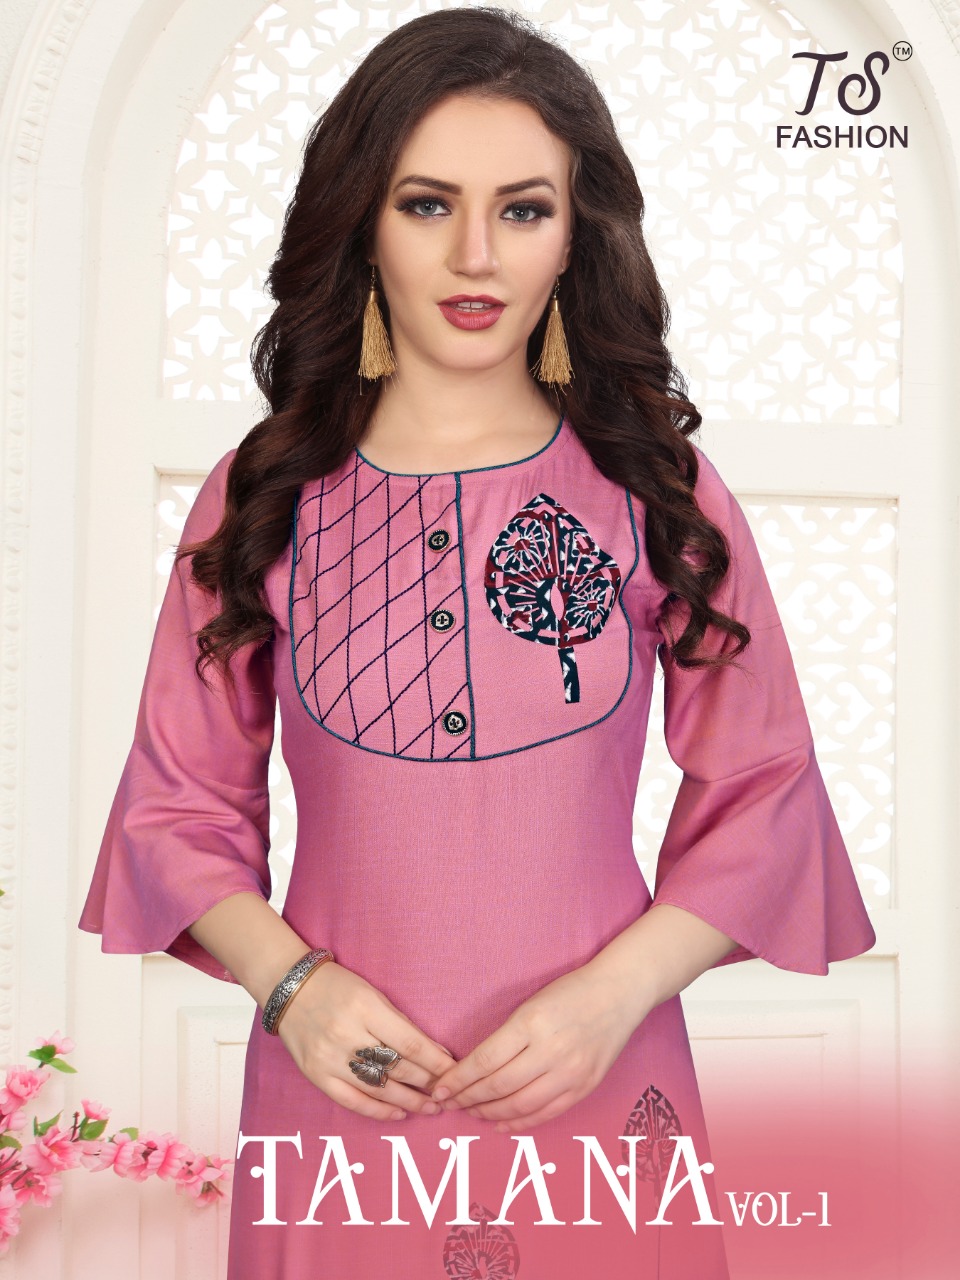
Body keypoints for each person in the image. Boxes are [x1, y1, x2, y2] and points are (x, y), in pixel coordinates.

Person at [79, 8, 876, 1277]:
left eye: (522, 209)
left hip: (599, 1082)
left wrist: (609, 998)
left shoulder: (653, 488)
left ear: (574, 234)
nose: (474, 254)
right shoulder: (264, 493)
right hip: (341, 1092)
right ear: (363, 223)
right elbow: (177, 806)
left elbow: (766, 787)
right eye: (426, 203)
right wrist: (295, 990)